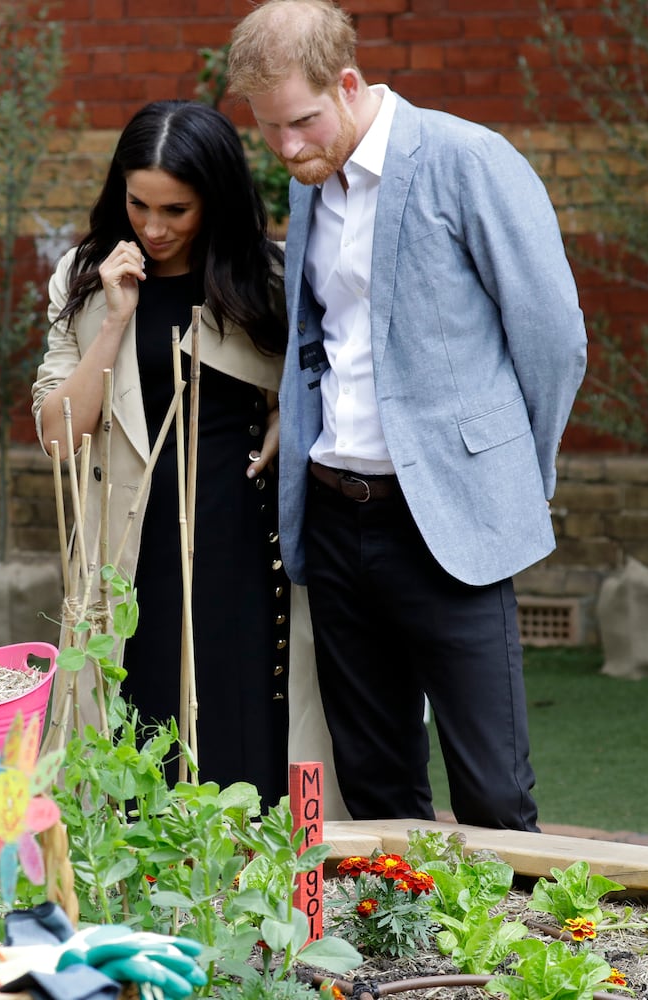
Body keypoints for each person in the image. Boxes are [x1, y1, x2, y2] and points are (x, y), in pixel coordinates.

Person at [226, 0, 588, 830]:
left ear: (348, 85)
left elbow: (553, 340)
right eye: (270, 129)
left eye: (303, 122)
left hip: (448, 523)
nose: (286, 147)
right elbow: (322, 337)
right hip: (334, 514)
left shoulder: (469, 160)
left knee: (495, 793)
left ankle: (509, 962)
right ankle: (403, 962)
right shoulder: (310, 177)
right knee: (377, 784)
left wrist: (509, 475)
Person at [32, 100, 296, 805]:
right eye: (138, 204)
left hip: (241, 539)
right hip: (126, 548)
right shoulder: (84, 278)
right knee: (136, 721)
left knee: (240, 723)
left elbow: (316, 385)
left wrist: (287, 419)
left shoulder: (268, 279)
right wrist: (116, 321)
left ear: (216, 199)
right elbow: (60, 436)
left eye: (176, 209)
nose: (153, 228)